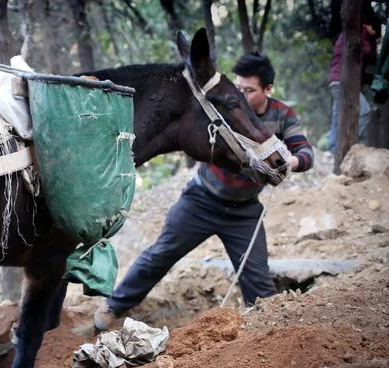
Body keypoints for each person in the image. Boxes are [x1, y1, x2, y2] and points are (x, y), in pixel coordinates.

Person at [94, 53, 314, 331]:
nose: (242, 95)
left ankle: (266, 337)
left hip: (244, 212)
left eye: (250, 91)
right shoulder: (225, 104)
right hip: (201, 201)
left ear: (268, 90)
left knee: (258, 282)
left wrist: (288, 161)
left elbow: (305, 152)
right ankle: (113, 307)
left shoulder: (282, 115)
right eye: (239, 88)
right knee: (160, 255)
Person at [327, 14, 380, 154]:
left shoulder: (345, 33)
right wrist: (374, 40)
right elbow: (367, 52)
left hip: (335, 80)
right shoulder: (358, 32)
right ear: (369, 25)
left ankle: (333, 148)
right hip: (343, 81)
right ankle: (352, 142)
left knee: (337, 114)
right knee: (365, 111)